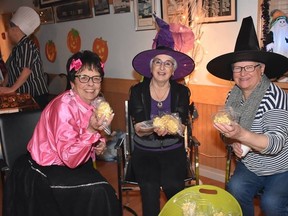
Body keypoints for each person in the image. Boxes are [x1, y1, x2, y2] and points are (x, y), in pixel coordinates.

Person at [3, 50, 121, 216]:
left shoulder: (95, 103)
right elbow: (69, 158)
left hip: (72, 163)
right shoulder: (63, 106)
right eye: (84, 78)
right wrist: (92, 130)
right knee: (101, 193)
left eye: (96, 78)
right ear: (72, 82)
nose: (91, 84)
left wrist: (97, 144)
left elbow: (80, 136)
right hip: (44, 168)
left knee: (104, 191)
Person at [207, 16, 288, 216]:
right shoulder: (232, 95)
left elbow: (276, 144)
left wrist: (240, 134)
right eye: (237, 67)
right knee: (235, 190)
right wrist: (230, 140)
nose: (243, 73)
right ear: (232, 71)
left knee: (270, 203)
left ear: (262, 69)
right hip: (251, 165)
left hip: (282, 168)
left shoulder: (274, 96)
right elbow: (227, 134)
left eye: (250, 66)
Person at [129, 16, 195, 216]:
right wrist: (153, 128)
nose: (162, 67)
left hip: (173, 151)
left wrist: (172, 127)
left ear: (173, 70)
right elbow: (139, 128)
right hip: (144, 152)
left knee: (174, 186)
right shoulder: (137, 91)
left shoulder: (182, 92)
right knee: (149, 188)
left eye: (168, 64)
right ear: (151, 67)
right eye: (158, 62)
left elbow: (182, 127)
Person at [0, 6, 48, 109]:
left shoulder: (26, 45)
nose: (8, 32)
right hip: (23, 95)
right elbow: (11, 70)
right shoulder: (17, 47)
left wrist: (11, 89)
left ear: (16, 29)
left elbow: (26, 71)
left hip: (35, 95)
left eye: (9, 28)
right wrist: (4, 84)